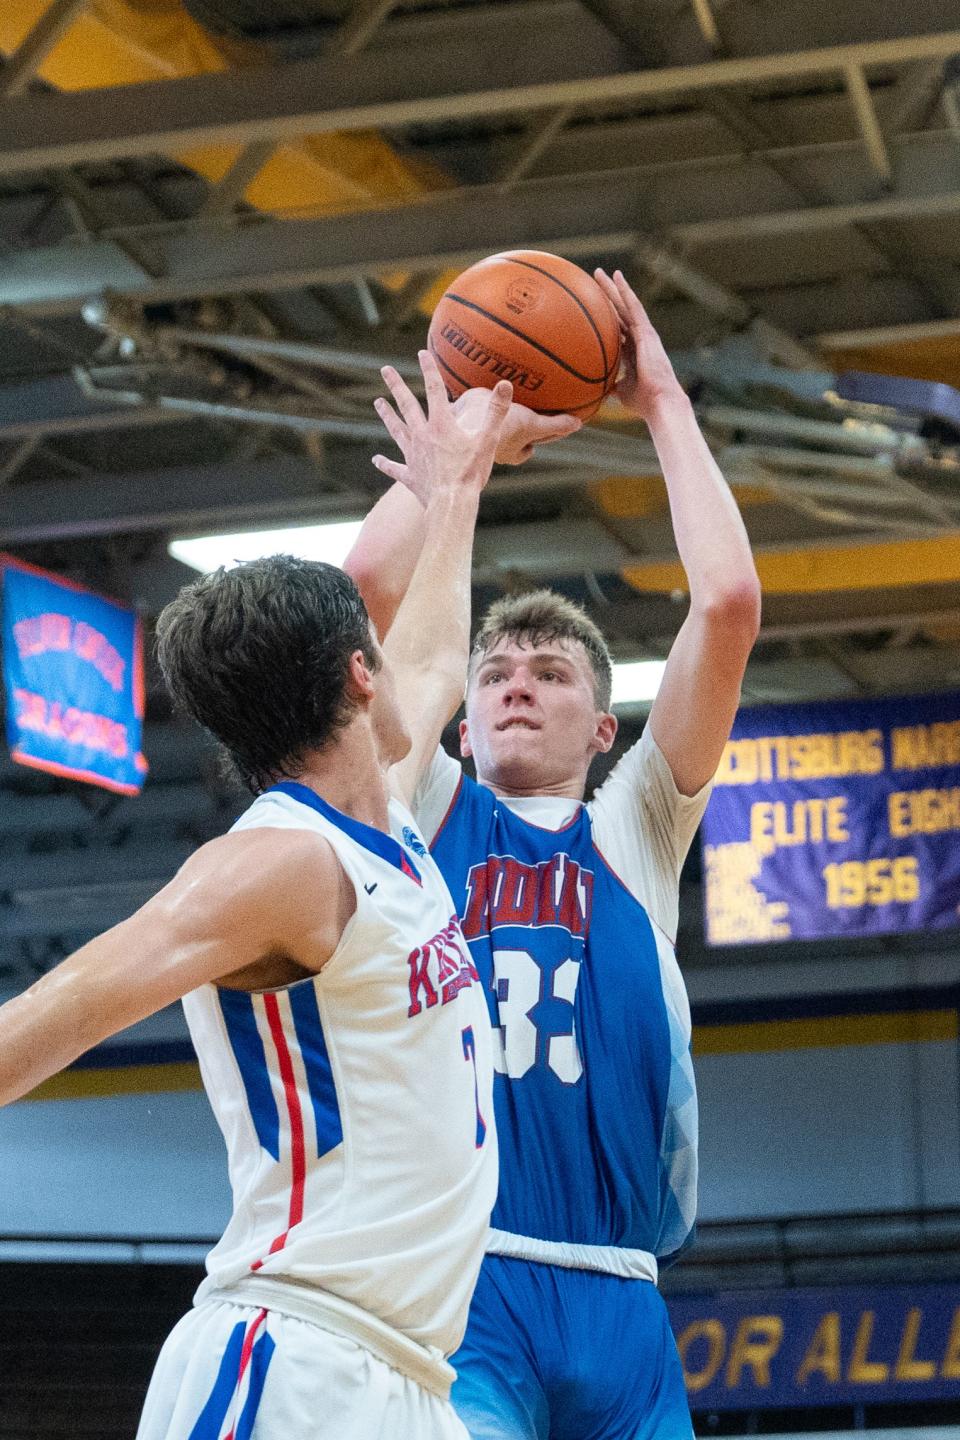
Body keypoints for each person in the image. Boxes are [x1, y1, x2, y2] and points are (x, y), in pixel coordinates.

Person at [0, 356, 515, 1440]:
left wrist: (455, 485)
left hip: (410, 1379)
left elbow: (437, 663)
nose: (396, 654)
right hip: (293, 1366)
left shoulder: (387, 820)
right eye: (375, 646)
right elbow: (57, 1015)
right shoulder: (276, 864)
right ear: (355, 675)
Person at [344, 271, 762, 1439]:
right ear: (461, 722)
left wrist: (662, 400)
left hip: (623, 1301)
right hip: (466, 1287)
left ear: (606, 728)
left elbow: (726, 600)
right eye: (494, 675)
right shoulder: (425, 805)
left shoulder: (636, 828)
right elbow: (344, 619)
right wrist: (447, 474)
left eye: (554, 674)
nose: (518, 683)